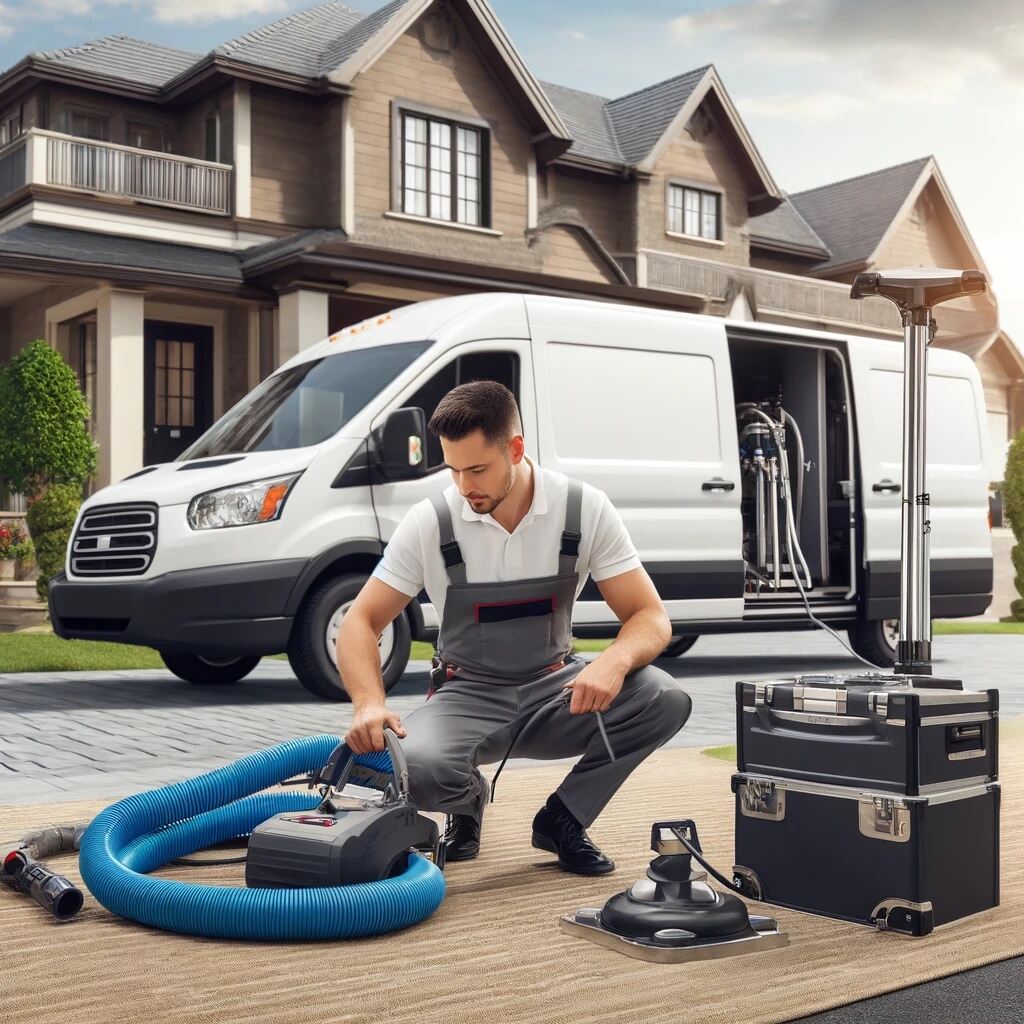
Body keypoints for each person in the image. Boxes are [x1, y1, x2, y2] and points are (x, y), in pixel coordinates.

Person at [338, 380, 691, 875]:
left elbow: (650, 616)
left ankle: (563, 819)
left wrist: (613, 661)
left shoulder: (583, 509)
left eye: (477, 469)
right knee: (410, 768)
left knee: (664, 698)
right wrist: (369, 703)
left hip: (558, 691)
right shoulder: (431, 522)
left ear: (517, 449)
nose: (464, 487)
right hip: (468, 696)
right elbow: (361, 619)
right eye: (453, 469)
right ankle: (466, 800)